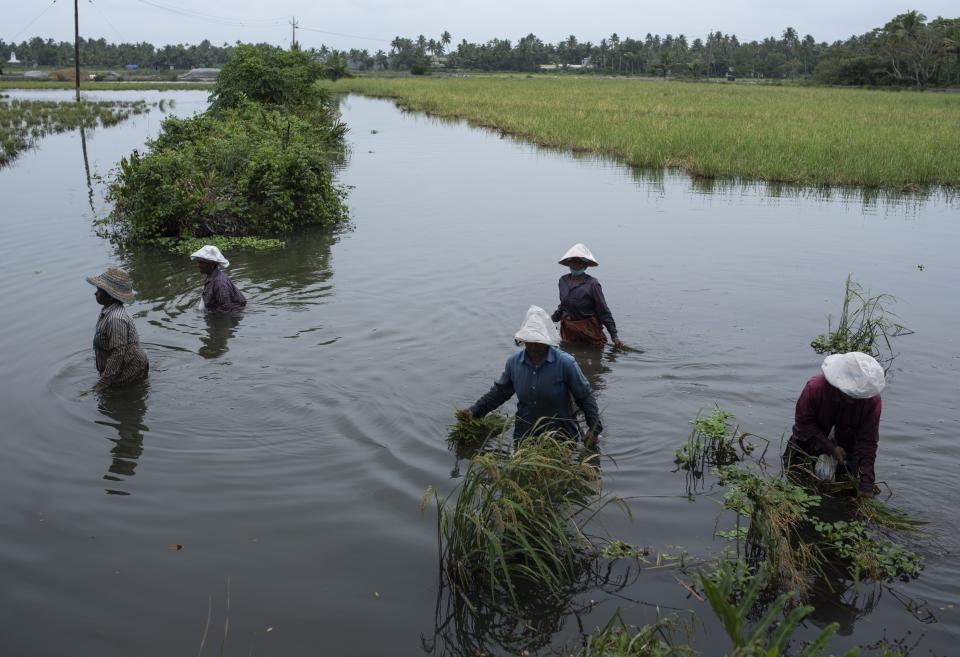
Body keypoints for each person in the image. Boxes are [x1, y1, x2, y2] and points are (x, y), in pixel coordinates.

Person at [463, 306, 602, 446]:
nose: (534, 347)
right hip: (525, 436)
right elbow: (499, 393)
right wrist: (475, 410)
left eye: (538, 343)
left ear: (546, 341)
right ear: (524, 340)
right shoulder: (514, 363)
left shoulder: (565, 364)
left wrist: (594, 429)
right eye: (530, 342)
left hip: (560, 438)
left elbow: (584, 397)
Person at [784, 352, 886, 497]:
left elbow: (867, 442)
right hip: (806, 446)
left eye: (856, 397)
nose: (851, 401)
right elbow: (803, 424)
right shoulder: (815, 388)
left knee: (844, 495)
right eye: (848, 395)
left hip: (846, 455)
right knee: (797, 488)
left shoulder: (871, 402)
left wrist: (866, 483)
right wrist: (830, 448)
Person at [86, 268, 149, 392]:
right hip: (122, 366)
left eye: (99, 291)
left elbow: (118, 353)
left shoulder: (116, 319)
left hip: (129, 370)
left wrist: (102, 383)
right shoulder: (107, 310)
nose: (95, 294)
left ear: (110, 297)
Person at [551, 243, 623, 349]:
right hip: (568, 329)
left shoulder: (592, 284)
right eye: (573, 261)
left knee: (593, 354)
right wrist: (550, 320)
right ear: (569, 263)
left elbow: (603, 310)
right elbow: (564, 305)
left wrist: (614, 336)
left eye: (580, 262)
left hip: (588, 328)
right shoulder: (563, 281)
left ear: (586, 265)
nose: (576, 264)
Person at [190, 245, 246, 312]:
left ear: (211, 265)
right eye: (198, 262)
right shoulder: (211, 277)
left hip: (234, 312)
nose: (198, 265)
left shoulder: (219, 283)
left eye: (201, 262)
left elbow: (225, 309)